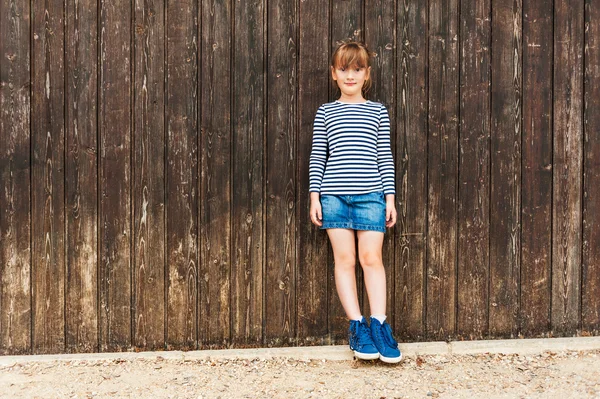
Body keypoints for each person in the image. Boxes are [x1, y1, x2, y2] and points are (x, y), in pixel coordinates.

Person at [308, 40, 401, 363]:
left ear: (367, 74)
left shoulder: (377, 111)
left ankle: (379, 325)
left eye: (357, 69)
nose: (351, 75)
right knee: (345, 259)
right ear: (334, 74)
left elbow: (384, 157)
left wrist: (389, 197)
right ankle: (357, 326)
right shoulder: (326, 112)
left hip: (371, 197)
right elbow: (318, 155)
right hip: (333, 197)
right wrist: (314, 196)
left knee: (371, 258)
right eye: (344, 69)